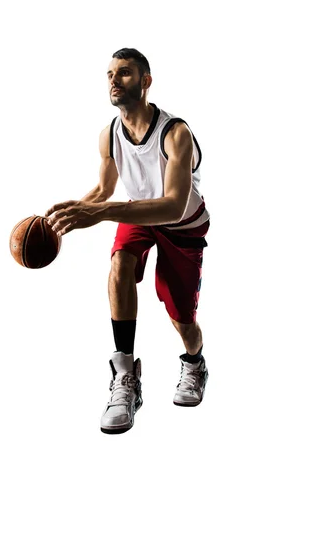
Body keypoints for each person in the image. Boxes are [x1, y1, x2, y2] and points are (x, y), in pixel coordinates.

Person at [45, 48, 210, 434]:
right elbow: (104, 190)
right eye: (109, 74)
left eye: (124, 73)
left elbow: (171, 206)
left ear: (146, 81)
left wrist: (100, 213)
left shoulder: (176, 133)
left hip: (181, 223)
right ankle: (125, 377)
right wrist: (68, 213)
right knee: (119, 264)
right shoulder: (110, 133)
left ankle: (194, 363)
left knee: (181, 317)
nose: (114, 81)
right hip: (138, 214)